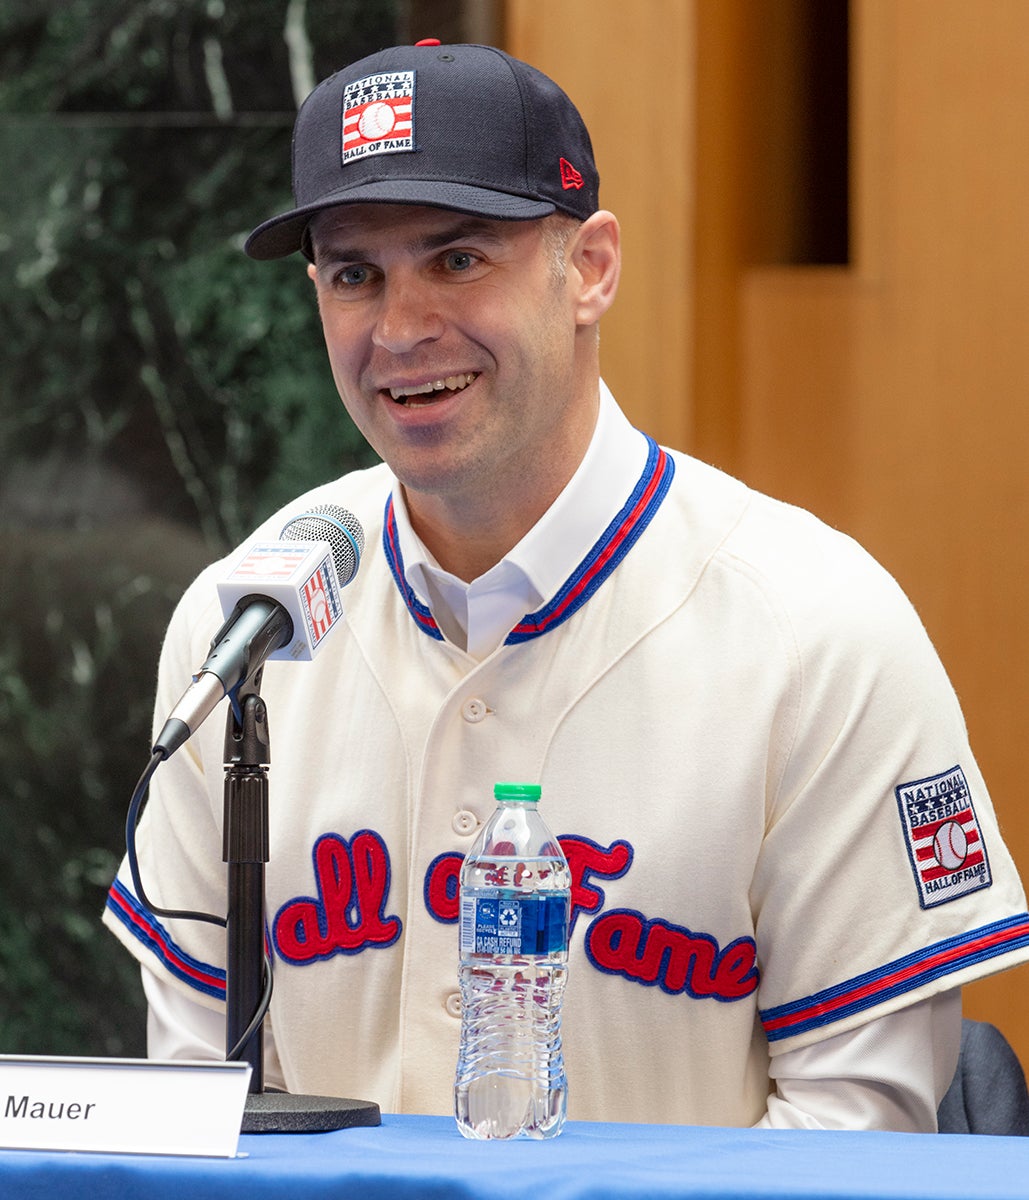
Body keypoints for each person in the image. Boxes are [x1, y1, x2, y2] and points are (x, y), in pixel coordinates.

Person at [104, 40, 1029, 1131]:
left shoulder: (818, 628)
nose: (399, 330)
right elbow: (187, 1112)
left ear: (589, 268)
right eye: (355, 273)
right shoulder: (243, 627)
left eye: (457, 260)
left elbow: (857, 1139)